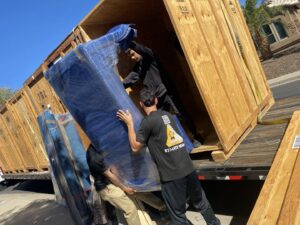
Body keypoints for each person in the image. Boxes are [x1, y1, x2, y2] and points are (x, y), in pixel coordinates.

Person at [117, 88, 220, 225]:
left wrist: (129, 124)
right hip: (188, 168)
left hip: (172, 176)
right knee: (201, 202)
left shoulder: (148, 122)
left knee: (177, 214)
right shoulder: (168, 116)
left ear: (141, 104)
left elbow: (135, 147)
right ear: (156, 100)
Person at [122, 41, 202, 146]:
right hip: (156, 99)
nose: (132, 57)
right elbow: (127, 81)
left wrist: (128, 41)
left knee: (181, 114)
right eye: (130, 56)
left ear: (138, 51)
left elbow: (142, 49)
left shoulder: (150, 57)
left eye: (133, 54)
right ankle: (174, 143)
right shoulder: (137, 69)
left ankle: (196, 136)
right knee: (162, 121)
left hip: (168, 93)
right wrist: (117, 86)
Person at [86, 144, 142, 225]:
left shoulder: (102, 145)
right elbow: (110, 175)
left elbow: (112, 166)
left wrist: (123, 181)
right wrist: (124, 188)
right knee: (130, 209)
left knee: (139, 193)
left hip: (113, 183)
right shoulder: (94, 157)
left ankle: (162, 208)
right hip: (107, 188)